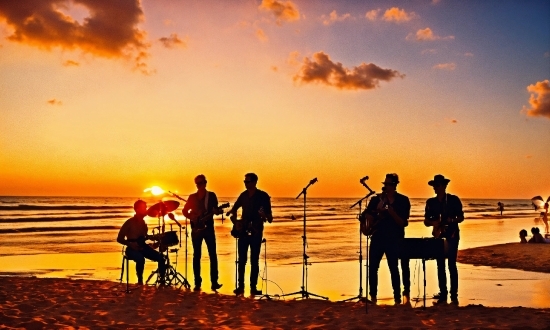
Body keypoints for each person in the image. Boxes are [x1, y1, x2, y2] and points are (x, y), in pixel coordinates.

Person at [362, 173, 410, 305]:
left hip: (394, 238)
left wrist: (390, 211)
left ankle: (397, 297)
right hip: (377, 236)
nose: (386, 187)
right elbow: (365, 214)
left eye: (389, 184)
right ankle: (373, 296)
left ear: (395, 185)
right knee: (373, 267)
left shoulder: (403, 200)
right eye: (385, 184)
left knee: (393, 267)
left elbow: (403, 222)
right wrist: (368, 219)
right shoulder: (376, 199)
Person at [227, 173, 273, 296]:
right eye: (245, 182)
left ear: (254, 182)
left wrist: (264, 216)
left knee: (254, 260)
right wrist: (236, 222)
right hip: (243, 232)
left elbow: (270, 218)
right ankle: (240, 286)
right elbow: (234, 209)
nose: (245, 184)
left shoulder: (263, 196)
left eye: (247, 182)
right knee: (241, 260)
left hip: (256, 232)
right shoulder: (243, 195)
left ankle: (253, 287)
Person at [424, 174, 464, 305]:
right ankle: (443, 293)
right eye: (434, 185)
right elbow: (426, 221)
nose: (435, 187)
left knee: (451, 264)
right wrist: (435, 223)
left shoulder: (453, 200)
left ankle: (454, 294)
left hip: (452, 234)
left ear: (444, 186)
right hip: (438, 235)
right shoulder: (431, 202)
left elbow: (461, 217)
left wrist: (450, 220)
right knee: (440, 265)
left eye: (438, 185)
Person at [182, 174, 223, 292]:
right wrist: (192, 216)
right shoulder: (192, 197)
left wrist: (217, 211)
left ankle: (214, 282)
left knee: (212, 255)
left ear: (205, 183)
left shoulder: (211, 196)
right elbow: (185, 211)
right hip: (196, 229)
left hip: (209, 228)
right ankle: (197, 282)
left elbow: (217, 211)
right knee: (197, 255)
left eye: (202, 183)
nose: (200, 185)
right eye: (198, 183)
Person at [117, 200, 166, 285]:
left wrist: (155, 238)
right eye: (144, 208)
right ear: (137, 209)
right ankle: (140, 280)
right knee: (140, 259)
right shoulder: (129, 222)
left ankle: (162, 281)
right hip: (131, 248)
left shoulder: (143, 223)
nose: (146, 209)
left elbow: (144, 237)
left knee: (161, 257)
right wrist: (130, 244)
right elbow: (119, 239)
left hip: (142, 246)